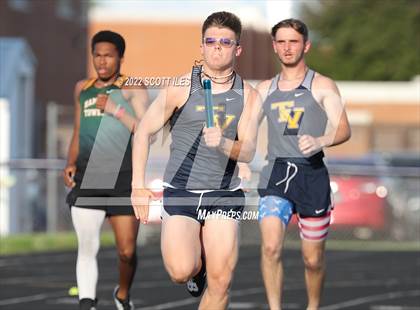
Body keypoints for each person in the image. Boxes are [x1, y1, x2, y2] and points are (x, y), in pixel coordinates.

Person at [131, 11, 260, 309]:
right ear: (201, 46)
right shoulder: (180, 87)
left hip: (224, 195)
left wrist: (225, 144)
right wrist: (138, 186)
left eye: (225, 42)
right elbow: (143, 132)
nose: (217, 47)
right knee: (180, 270)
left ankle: (209, 271)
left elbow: (250, 150)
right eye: (210, 41)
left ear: (237, 49)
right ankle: (196, 269)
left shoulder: (249, 96)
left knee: (221, 282)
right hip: (181, 193)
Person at [256, 19, 351, 310]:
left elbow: (344, 128)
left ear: (305, 45)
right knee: (271, 247)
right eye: (281, 42)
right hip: (276, 173)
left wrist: (321, 140)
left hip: (311, 177)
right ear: (274, 46)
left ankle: (313, 306)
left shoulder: (322, 85)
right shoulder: (263, 89)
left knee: (312, 260)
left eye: (293, 41)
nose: (287, 47)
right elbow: (244, 133)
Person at [63, 30, 149, 310]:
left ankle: (122, 294)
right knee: (88, 247)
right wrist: (70, 162)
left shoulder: (132, 88)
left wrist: (117, 110)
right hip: (89, 177)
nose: (102, 61)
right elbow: (77, 131)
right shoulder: (82, 88)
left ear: (120, 58)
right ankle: (86, 302)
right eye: (97, 55)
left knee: (127, 251)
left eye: (108, 56)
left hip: (123, 178)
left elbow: (146, 132)